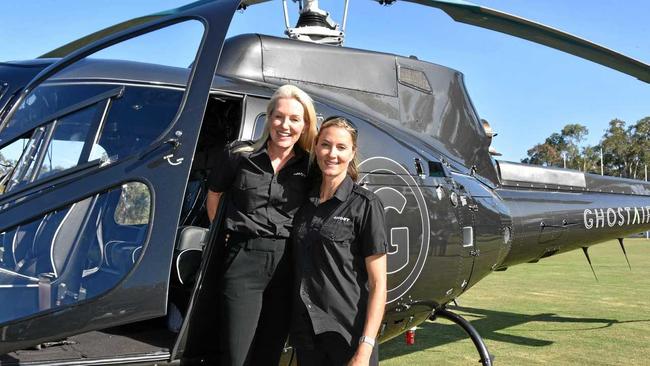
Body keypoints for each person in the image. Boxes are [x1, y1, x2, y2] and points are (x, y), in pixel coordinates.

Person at [206, 84, 317, 366]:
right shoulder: (239, 156)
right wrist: (224, 235)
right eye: (278, 116)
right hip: (243, 259)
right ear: (268, 118)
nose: (285, 125)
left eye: (294, 119)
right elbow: (214, 194)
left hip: (287, 264)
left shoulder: (310, 167)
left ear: (305, 126)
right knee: (236, 354)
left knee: (269, 354)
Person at [290, 117, 388, 366]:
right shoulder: (304, 202)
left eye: (341, 147)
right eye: (325, 145)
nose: (332, 154)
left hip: (346, 334)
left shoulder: (366, 205)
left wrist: (365, 349)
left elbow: (378, 284)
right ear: (316, 148)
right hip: (306, 333)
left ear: (352, 152)